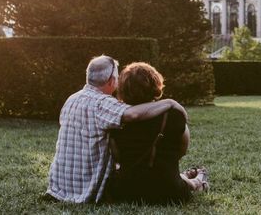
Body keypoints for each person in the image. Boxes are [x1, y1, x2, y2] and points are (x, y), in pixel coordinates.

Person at [46, 55, 188, 204]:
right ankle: (191, 180)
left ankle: (187, 179)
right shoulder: (102, 103)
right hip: (84, 190)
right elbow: (133, 114)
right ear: (111, 81)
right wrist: (170, 103)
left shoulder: (72, 98)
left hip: (60, 186)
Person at [106, 62, 209, 204]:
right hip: (170, 192)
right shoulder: (173, 114)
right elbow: (182, 150)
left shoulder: (116, 118)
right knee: (175, 181)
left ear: (123, 87)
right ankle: (199, 180)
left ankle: (192, 178)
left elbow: (116, 155)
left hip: (127, 192)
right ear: (155, 84)